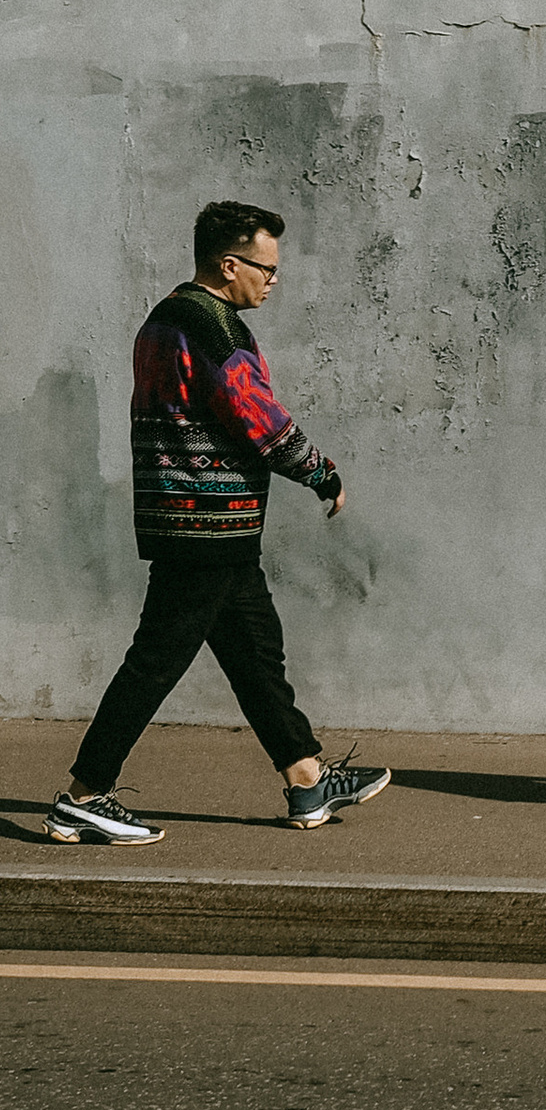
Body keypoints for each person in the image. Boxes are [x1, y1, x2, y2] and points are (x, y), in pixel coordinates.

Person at [48, 201, 392, 845]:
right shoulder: (214, 329)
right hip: (203, 522)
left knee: (256, 652)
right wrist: (321, 471)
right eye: (265, 268)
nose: (273, 280)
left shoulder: (165, 318)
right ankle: (85, 795)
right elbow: (255, 415)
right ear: (228, 264)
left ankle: (307, 778)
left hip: (206, 523)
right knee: (156, 660)